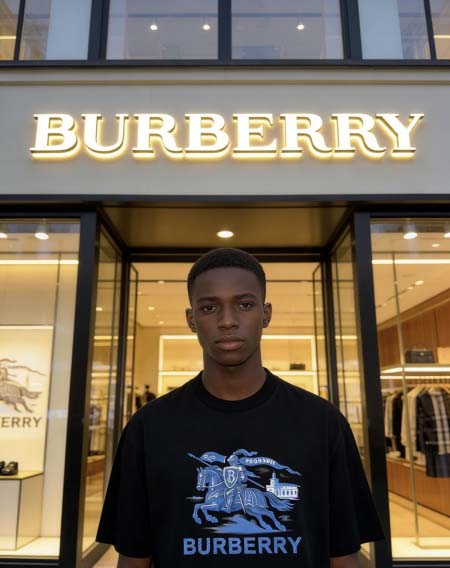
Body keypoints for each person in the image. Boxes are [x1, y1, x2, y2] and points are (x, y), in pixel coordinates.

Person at [96, 248, 385, 568]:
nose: (228, 321)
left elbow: (344, 556)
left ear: (266, 314)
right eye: (209, 307)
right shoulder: (148, 427)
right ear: (191, 319)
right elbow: (133, 559)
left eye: (245, 305)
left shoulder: (323, 422)